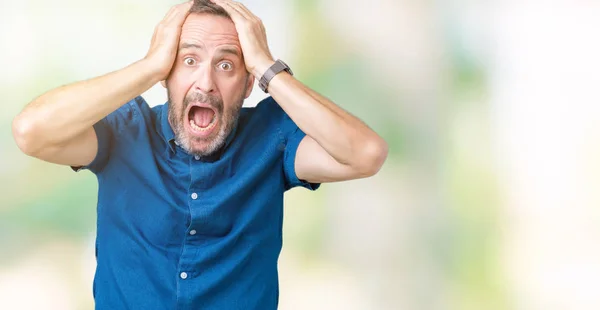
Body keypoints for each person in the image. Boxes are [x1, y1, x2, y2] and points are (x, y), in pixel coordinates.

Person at [11, 0, 388, 309]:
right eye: (188, 61)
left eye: (226, 65)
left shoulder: (273, 138)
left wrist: (269, 68)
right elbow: (31, 132)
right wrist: (149, 65)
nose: (205, 82)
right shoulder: (125, 131)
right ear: (166, 74)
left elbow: (365, 154)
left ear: (246, 85)